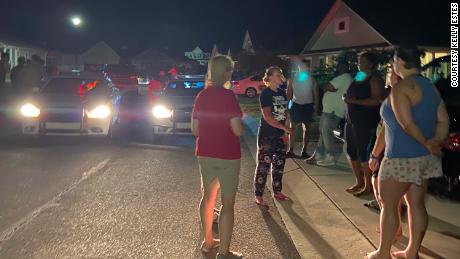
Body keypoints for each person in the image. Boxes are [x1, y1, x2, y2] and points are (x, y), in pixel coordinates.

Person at [366, 46, 449, 259]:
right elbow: (443, 119)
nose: (392, 66)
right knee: (416, 205)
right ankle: (412, 252)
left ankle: (383, 253)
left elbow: (405, 123)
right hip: (424, 159)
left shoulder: (402, 89)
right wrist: (434, 141)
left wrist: (425, 141)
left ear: (400, 61)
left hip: (400, 158)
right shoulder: (430, 87)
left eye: (394, 61)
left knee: (389, 206)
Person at [192, 55, 244, 259]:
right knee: (227, 203)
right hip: (228, 155)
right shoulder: (229, 96)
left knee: (207, 197)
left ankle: (208, 242)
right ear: (227, 72)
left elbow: (195, 129)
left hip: (205, 153)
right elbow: (237, 130)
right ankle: (224, 253)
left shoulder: (201, 96)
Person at [366, 65, 403, 242]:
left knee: (384, 193)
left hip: (389, 150)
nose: (389, 76)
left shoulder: (396, 97)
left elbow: (385, 130)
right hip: (404, 151)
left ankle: (392, 229)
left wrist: (374, 154)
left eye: (392, 72)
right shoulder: (415, 96)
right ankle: (396, 227)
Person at [343, 52, 384, 196]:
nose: (358, 64)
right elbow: (350, 91)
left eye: (362, 61)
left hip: (366, 121)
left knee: (364, 153)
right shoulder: (359, 75)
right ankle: (359, 182)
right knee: (351, 151)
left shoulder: (375, 78)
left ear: (371, 64)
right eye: (358, 61)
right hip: (351, 119)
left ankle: (368, 186)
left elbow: (376, 100)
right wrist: (347, 97)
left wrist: (354, 101)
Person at [254, 66, 292, 206]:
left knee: (279, 165)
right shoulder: (265, 94)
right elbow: (268, 117)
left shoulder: (282, 92)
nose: (280, 76)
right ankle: (259, 195)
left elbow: (285, 114)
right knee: (264, 166)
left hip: (280, 135)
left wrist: (284, 132)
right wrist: (284, 128)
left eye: (280, 74)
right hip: (267, 136)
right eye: (277, 74)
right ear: (269, 78)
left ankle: (277, 191)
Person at [305, 61, 353, 166]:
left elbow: (327, 86)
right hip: (330, 110)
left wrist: (329, 86)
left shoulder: (344, 77)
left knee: (326, 132)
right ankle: (317, 155)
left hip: (333, 111)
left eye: (339, 66)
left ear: (343, 68)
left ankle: (330, 156)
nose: (337, 68)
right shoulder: (345, 78)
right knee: (323, 132)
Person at [286, 59, 319, 158]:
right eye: (300, 66)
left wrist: (315, 109)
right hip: (296, 105)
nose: (302, 68)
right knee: (292, 128)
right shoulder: (292, 79)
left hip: (308, 106)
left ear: (308, 67)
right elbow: (289, 95)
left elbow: (316, 95)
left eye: (304, 66)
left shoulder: (311, 79)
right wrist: (288, 108)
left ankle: (304, 151)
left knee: (307, 129)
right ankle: (290, 150)